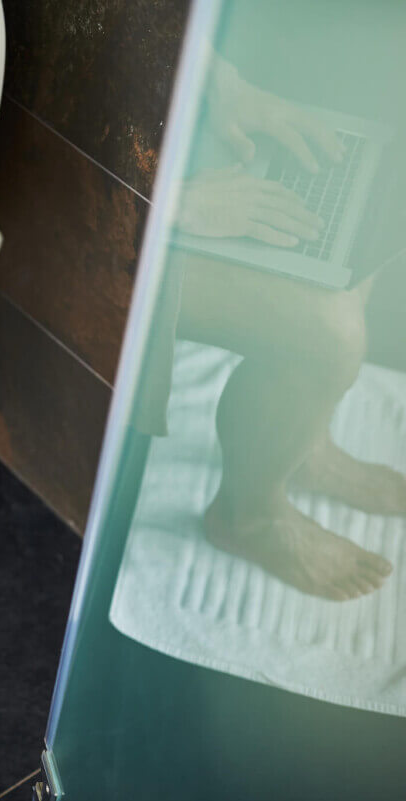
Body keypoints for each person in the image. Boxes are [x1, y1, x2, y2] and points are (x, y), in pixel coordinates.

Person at [146, 55, 400, 601]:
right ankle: (248, 517)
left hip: (156, 132)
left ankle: (300, 445)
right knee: (328, 332)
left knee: (367, 210)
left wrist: (217, 80)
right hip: (99, 200)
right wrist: (171, 201)